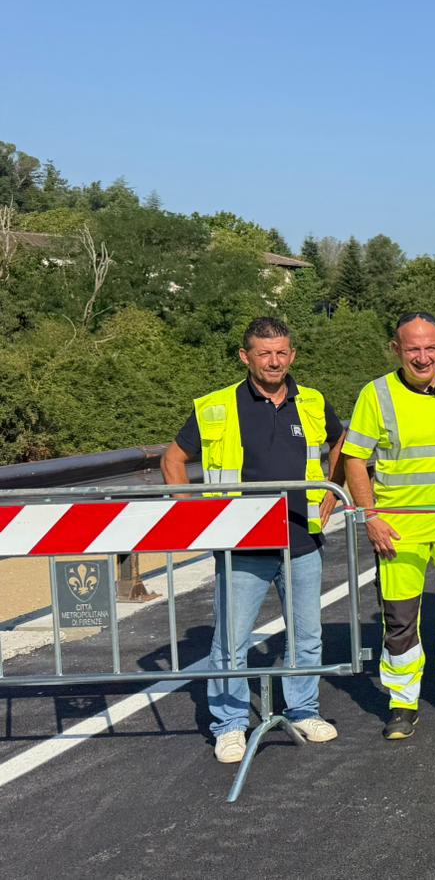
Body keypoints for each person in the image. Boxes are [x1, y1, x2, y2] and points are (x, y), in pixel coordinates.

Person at [160, 316, 345, 764]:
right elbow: (173, 460)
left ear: (292, 355)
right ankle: (229, 724)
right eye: (264, 353)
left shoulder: (313, 402)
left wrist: (332, 493)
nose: (274, 361)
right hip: (242, 546)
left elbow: (343, 443)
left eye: (282, 352)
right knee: (232, 640)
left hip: (301, 539)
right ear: (246, 357)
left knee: (306, 636)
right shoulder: (219, 405)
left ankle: (303, 710)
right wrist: (198, 517)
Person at [342, 312, 435, 740]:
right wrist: (370, 517)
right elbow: (355, 458)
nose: (422, 357)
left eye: (430, 347)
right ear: (396, 350)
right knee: (401, 619)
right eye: (413, 349)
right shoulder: (377, 394)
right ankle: (402, 702)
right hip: (398, 528)